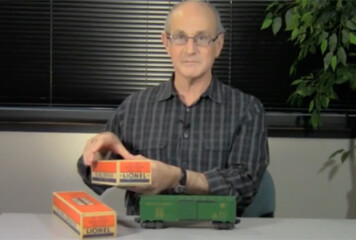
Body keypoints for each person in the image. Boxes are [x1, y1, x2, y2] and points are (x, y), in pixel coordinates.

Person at [77, 0, 269, 216]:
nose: (190, 49)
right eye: (179, 37)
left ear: (219, 44)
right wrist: (100, 155)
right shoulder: (133, 107)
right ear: (166, 43)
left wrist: (178, 177)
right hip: (145, 232)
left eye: (202, 38)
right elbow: (96, 178)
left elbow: (244, 186)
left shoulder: (247, 110)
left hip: (213, 232)